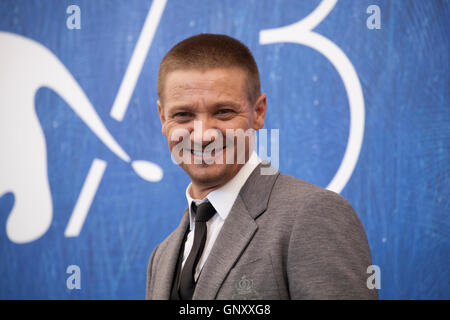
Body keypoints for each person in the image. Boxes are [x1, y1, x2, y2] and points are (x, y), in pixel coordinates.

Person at [145, 33, 377, 300]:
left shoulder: (312, 215)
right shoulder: (161, 256)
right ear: (163, 118)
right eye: (183, 115)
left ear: (258, 112)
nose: (202, 135)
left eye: (223, 112)